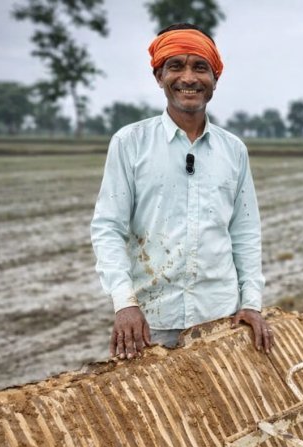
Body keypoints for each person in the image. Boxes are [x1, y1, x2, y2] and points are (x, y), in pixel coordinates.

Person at [91, 23, 273, 359]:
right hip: (150, 321)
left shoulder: (233, 150)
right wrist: (124, 304)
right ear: (159, 76)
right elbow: (108, 229)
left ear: (215, 79)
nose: (188, 78)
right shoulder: (130, 143)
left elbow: (245, 232)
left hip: (221, 319)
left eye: (200, 67)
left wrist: (251, 303)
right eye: (176, 66)